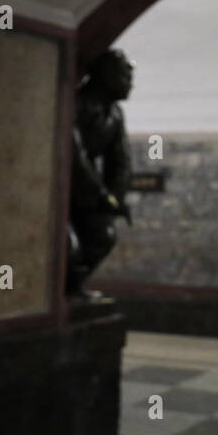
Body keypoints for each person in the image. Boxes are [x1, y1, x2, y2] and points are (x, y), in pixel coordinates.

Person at [66, 48, 134, 296]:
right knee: (69, 248)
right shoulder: (74, 103)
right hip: (59, 184)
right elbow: (74, 154)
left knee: (103, 235)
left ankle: (70, 289)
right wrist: (101, 195)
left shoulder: (115, 114)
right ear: (106, 75)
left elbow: (121, 159)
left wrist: (115, 197)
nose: (130, 84)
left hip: (87, 190)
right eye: (124, 76)